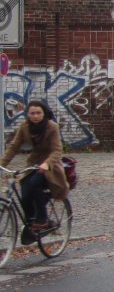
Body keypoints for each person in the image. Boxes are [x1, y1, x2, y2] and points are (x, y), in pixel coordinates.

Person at [0, 100, 70, 243]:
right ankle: (32, 221)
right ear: (28, 114)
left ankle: (42, 219)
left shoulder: (52, 127)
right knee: (25, 191)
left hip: (50, 163)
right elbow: (14, 146)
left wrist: (46, 164)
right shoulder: (25, 126)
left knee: (34, 183)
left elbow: (57, 150)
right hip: (33, 162)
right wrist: (1, 164)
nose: (35, 116)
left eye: (38, 113)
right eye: (32, 113)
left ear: (44, 113)